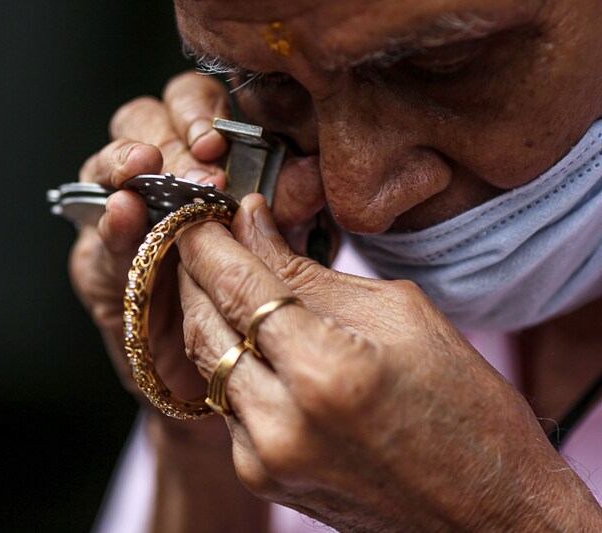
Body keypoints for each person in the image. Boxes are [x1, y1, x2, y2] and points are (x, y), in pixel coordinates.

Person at [70, 0, 602, 530]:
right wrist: (201, 435)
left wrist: (508, 518)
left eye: (445, 63)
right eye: (269, 81)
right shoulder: (296, 313)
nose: (356, 206)